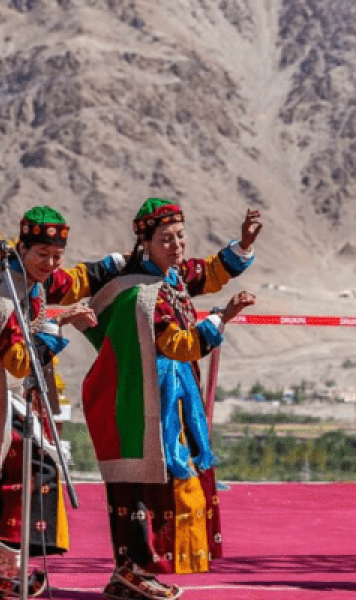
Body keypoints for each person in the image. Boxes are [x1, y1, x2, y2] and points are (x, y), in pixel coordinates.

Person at [0, 206, 125, 597]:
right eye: (42, 255)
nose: (49, 264)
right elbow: (17, 360)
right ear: (23, 247)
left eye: (56, 256)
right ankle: (2, 566)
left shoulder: (19, 278)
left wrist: (115, 263)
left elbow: (69, 281)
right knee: (36, 466)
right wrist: (56, 325)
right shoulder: (9, 293)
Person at [81, 198, 261, 600]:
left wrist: (245, 244)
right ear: (145, 243)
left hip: (171, 397)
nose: (177, 245)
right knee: (143, 482)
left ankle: (134, 571)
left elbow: (209, 272)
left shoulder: (172, 277)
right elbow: (181, 345)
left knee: (157, 481)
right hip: (146, 399)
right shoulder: (142, 293)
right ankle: (133, 570)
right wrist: (222, 318)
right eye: (166, 239)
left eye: (180, 236)